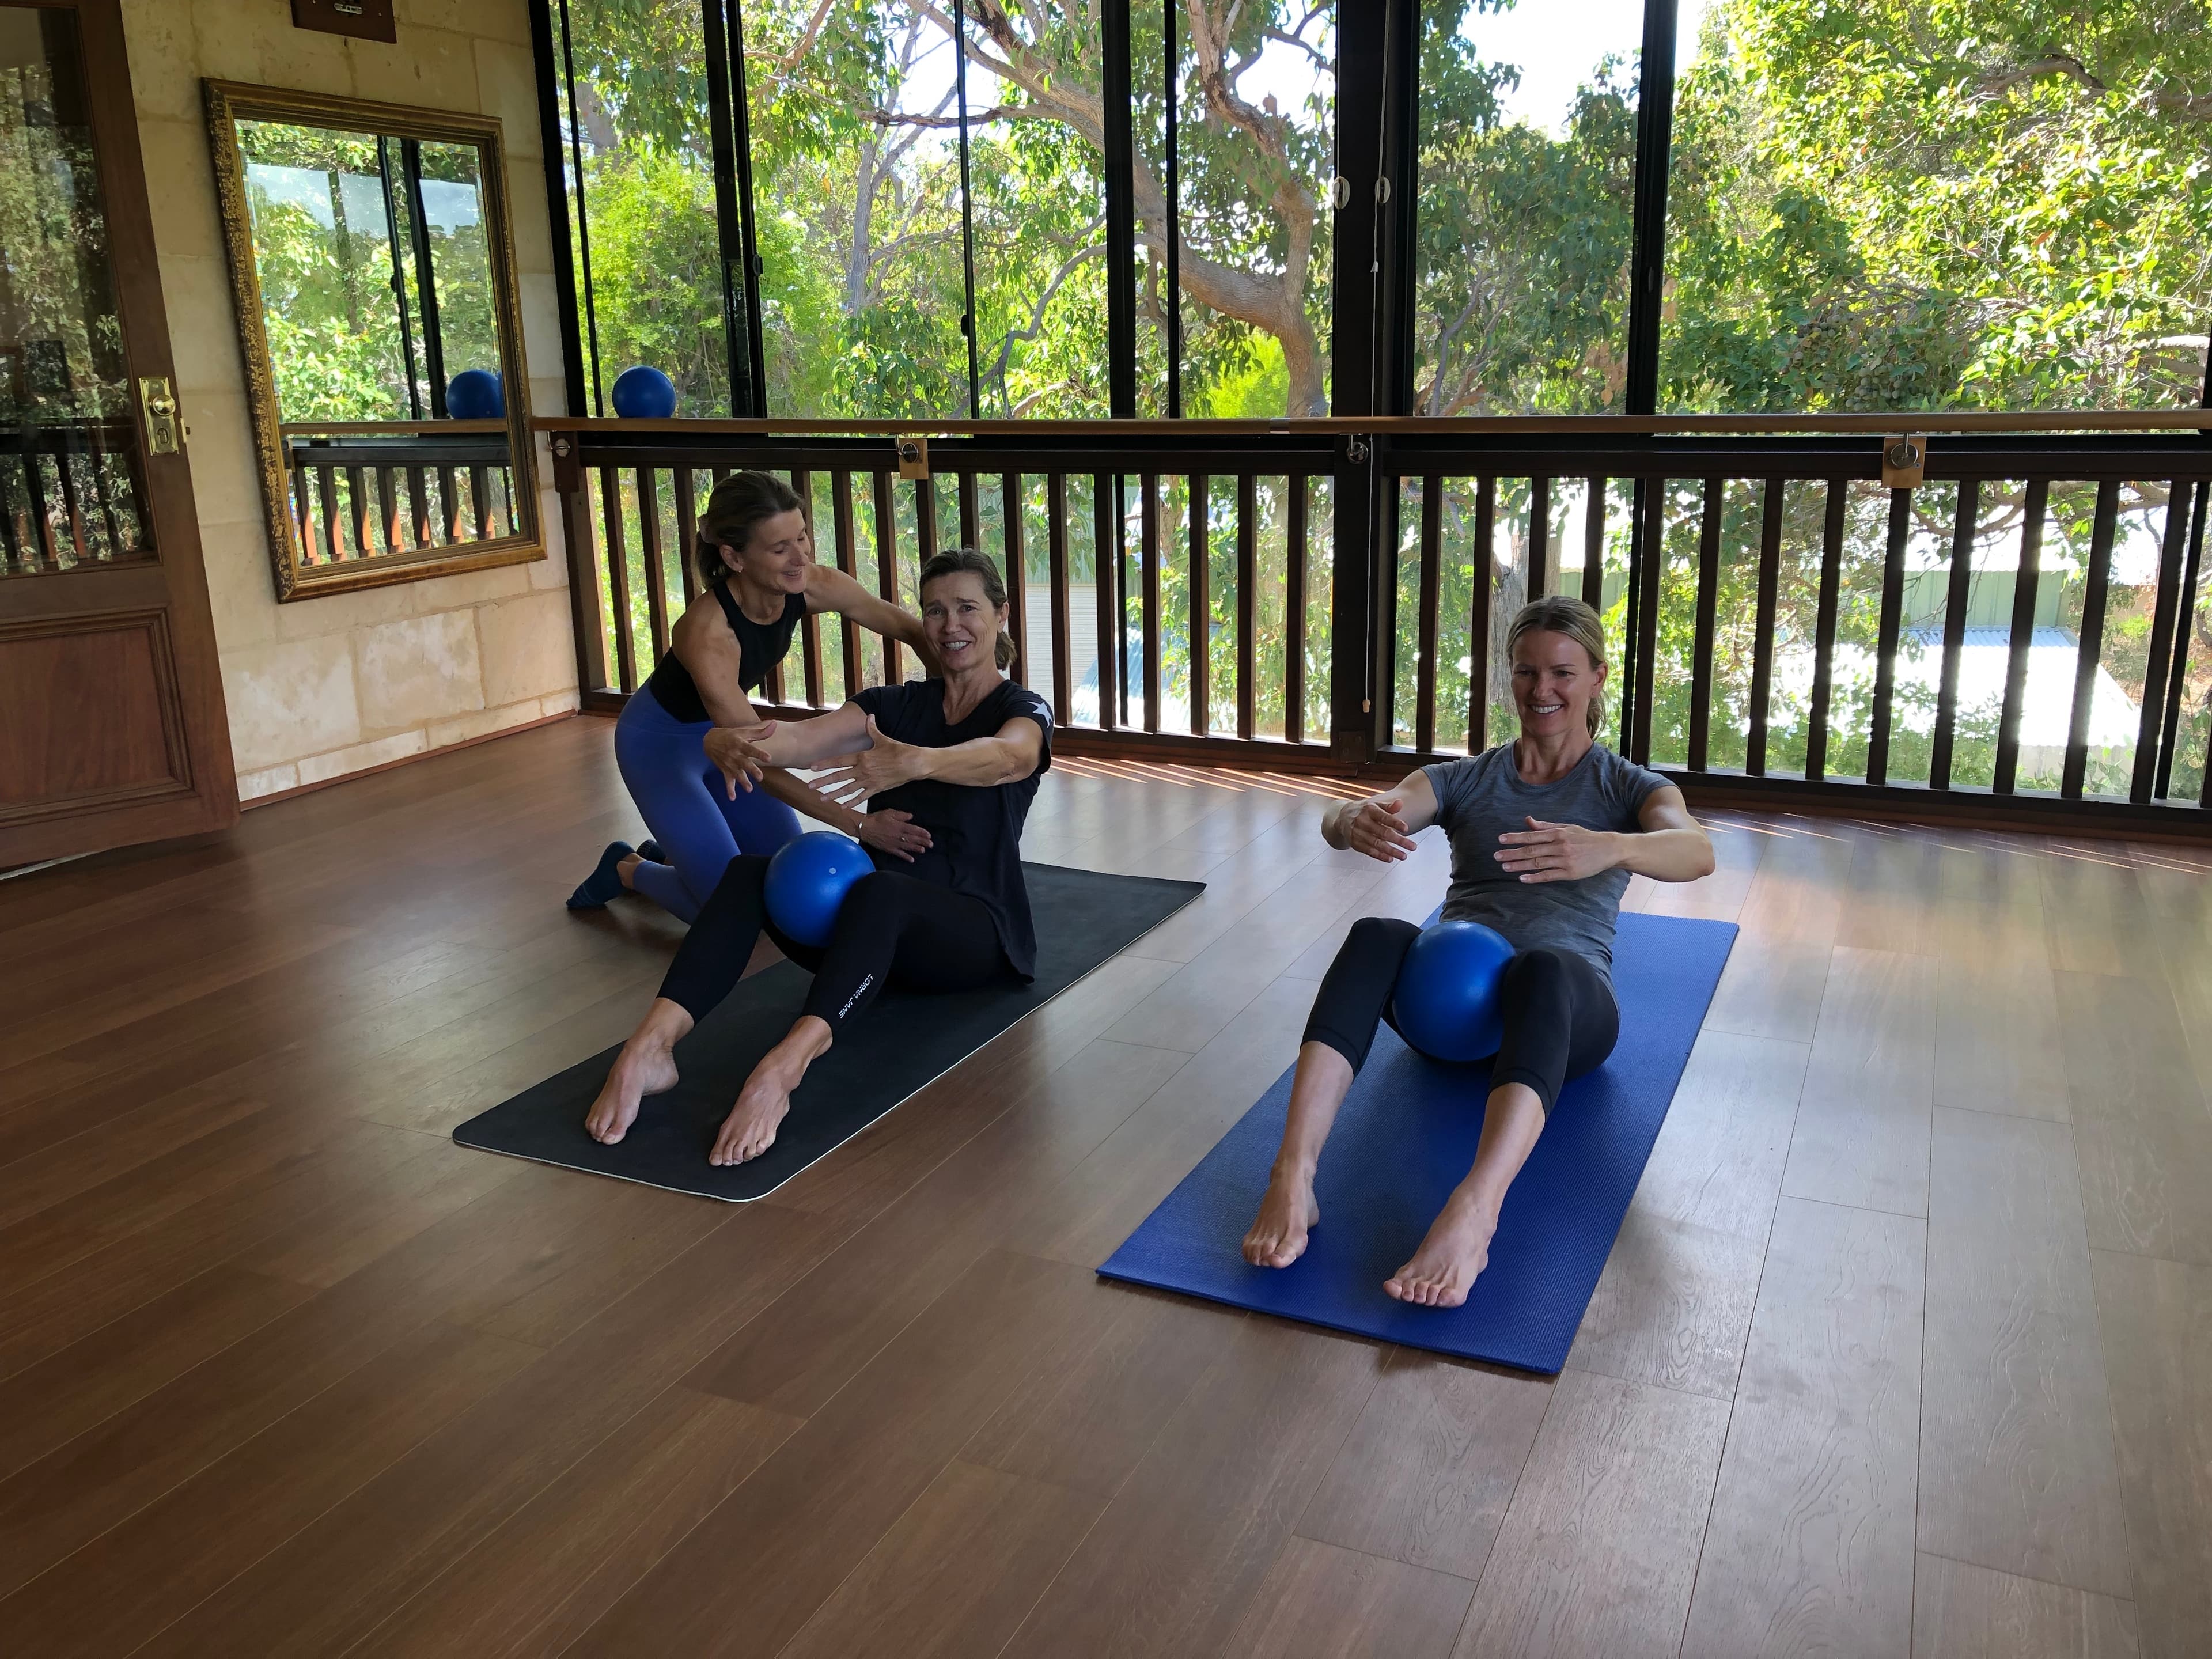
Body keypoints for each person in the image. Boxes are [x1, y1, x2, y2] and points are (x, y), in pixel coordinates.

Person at [1241, 594, 1715, 1309]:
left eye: (1561, 672)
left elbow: (1698, 852)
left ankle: (1476, 1210)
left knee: (1545, 967)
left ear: (1596, 678)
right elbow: (1350, 814)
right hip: (1450, 1019)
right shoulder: (1467, 777)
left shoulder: (1627, 787)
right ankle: (1294, 1175)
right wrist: (1350, 821)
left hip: (1565, 1018)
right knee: (1377, 935)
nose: (1542, 690)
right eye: (1525, 672)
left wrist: (1608, 847)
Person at [584, 548, 1051, 1166]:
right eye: (935, 610)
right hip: (869, 934)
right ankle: (650, 1047)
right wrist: (729, 738)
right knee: (752, 871)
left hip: (970, 936)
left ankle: (781, 1071)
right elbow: (799, 742)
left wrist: (921, 762)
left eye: (967, 608)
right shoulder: (895, 705)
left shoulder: (1021, 710)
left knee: (884, 892)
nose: (949, 625)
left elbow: (1010, 757)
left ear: (1000, 615)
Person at [568, 471, 937, 922]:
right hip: (659, 748)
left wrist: (956, 706)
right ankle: (628, 868)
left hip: (726, 734)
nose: (800, 557)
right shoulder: (707, 632)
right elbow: (759, 759)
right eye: (780, 549)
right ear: (734, 558)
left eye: (802, 538)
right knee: (732, 914)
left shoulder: (812, 584)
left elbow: (909, 629)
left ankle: (678, 854)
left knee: (777, 882)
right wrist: (858, 825)